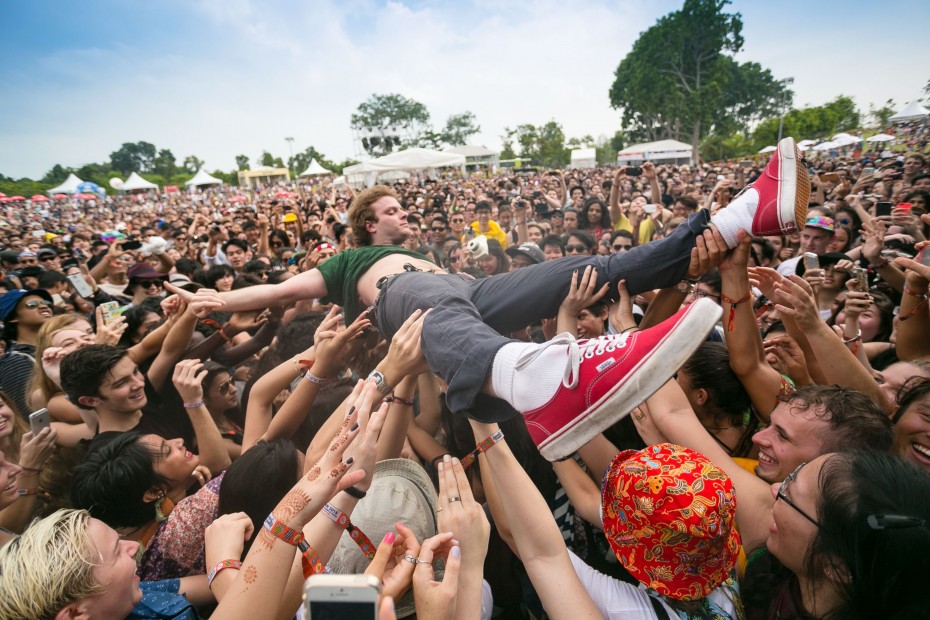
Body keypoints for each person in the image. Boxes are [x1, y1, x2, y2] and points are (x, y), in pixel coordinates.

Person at [169, 138, 810, 461]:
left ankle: (741, 217)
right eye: (392, 208)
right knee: (438, 309)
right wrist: (208, 302)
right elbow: (279, 291)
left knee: (585, 268)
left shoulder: (429, 255)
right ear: (370, 225)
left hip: (464, 291)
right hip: (404, 299)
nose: (404, 214)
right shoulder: (350, 263)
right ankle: (525, 375)